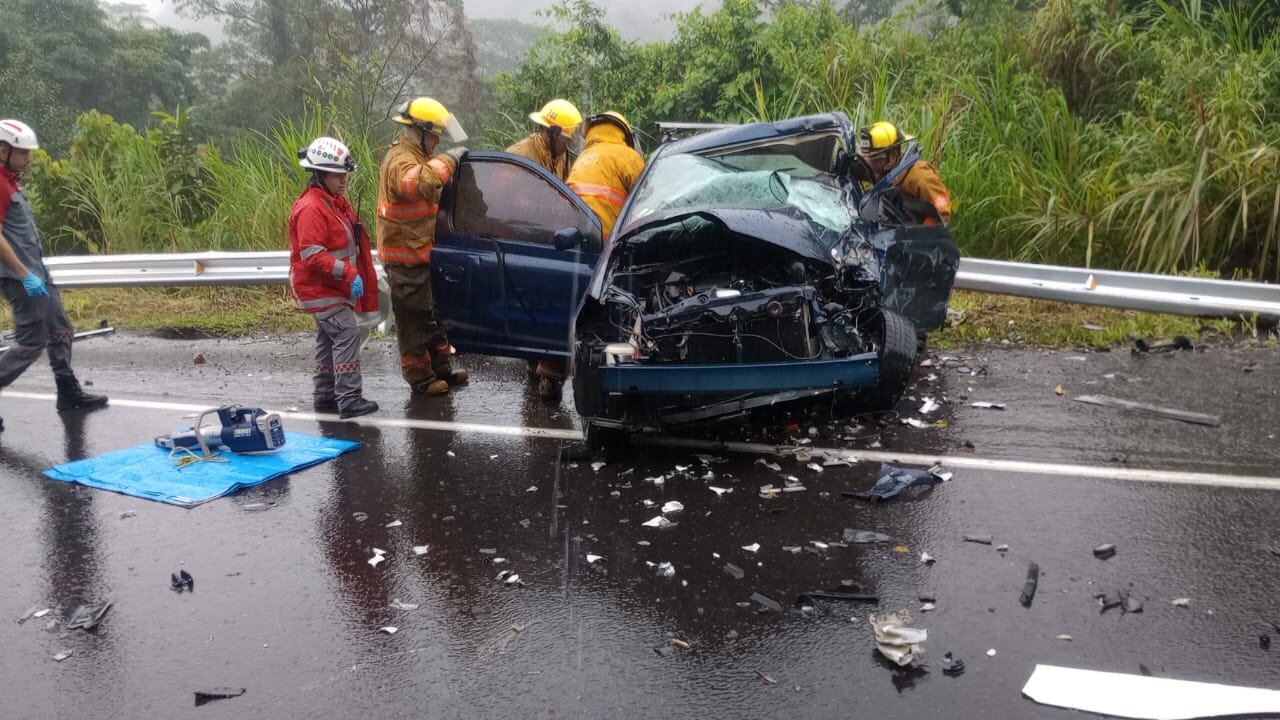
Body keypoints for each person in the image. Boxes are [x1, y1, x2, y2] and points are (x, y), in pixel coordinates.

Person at [0, 119, 107, 430]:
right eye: (24, 153)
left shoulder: (10, 181)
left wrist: (36, 273)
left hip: (36, 272)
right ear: (3, 150)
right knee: (30, 343)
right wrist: (23, 274)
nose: (29, 159)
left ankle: (68, 391)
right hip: (19, 277)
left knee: (61, 328)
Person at [377, 97, 469, 396]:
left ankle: (441, 369)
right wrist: (451, 158)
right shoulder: (399, 160)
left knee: (432, 315)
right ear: (418, 131)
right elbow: (422, 183)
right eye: (434, 134)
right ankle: (420, 378)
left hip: (422, 254)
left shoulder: (417, 154)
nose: (438, 140)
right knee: (413, 319)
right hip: (404, 259)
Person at [288, 136, 379, 419]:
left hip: (331, 286)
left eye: (345, 174)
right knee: (346, 334)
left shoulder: (331, 202)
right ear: (320, 174)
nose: (344, 180)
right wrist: (349, 272)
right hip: (320, 288)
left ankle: (325, 396)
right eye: (337, 175)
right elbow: (312, 256)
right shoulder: (312, 208)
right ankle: (349, 399)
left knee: (328, 339)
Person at [855, 120, 952, 225]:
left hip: (914, 235)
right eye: (867, 160)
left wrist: (920, 233)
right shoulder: (881, 169)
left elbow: (943, 212)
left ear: (892, 155)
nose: (871, 166)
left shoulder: (920, 176)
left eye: (875, 161)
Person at [567, 111, 645, 240]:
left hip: (574, 239)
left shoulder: (582, 158)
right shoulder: (628, 156)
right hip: (609, 245)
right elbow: (646, 200)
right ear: (623, 134)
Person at [506, 99, 582, 181]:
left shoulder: (561, 155)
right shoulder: (517, 156)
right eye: (566, 140)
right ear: (550, 133)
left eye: (570, 140)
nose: (567, 146)